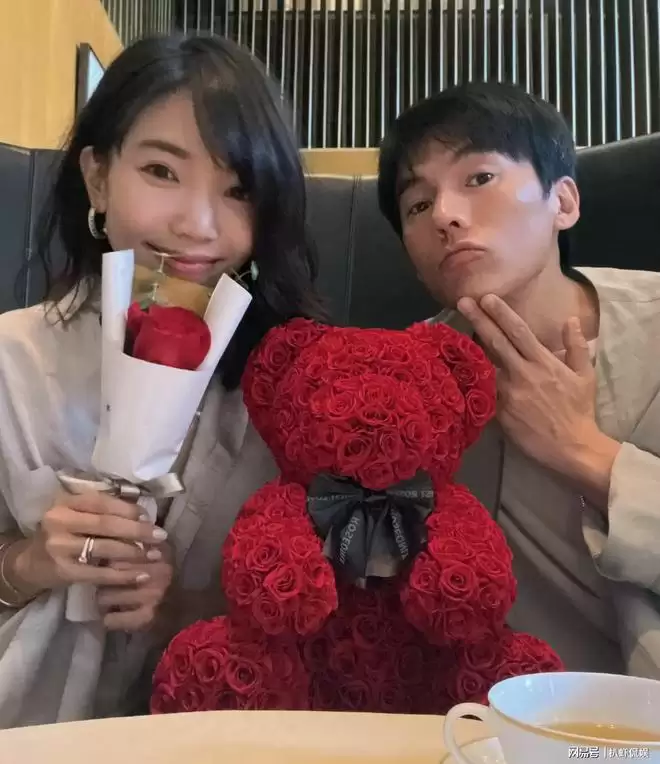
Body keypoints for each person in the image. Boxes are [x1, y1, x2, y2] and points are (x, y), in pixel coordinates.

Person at [0, 33, 324, 727]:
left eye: (238, 189)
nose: (196, 224)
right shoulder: (9, 358)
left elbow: (325, 617)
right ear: (97, 178)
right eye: (161, 171)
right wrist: (28, 562)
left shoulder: (292, 389)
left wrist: (178, 608)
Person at [377, 81, 660, 679]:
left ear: (563, 202)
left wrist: (582, 450)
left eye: (479, 178)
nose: (445, 215)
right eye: (418, 205)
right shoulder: (404, 377)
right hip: (481, 713)